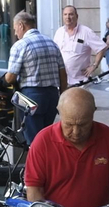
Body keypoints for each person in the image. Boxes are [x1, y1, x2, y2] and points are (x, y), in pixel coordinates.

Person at [4, 10, 64, 144]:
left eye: (15, 29)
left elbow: (11, 77)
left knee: (33, 140)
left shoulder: (20, 45)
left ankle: (36, 164)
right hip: (53, 96)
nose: (15, 33)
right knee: (47, 137)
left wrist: (3, 81)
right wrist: (63, 95)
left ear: (21, 25)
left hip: (31, 96)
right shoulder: (51, 43)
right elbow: (62, 72)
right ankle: (49, 164)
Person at [53, 5, 107, 87]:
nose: (68, 17)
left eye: (71, 14)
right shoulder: (59, 32)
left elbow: (101, 48)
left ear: (76, 16)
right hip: (62, 80)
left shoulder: (86, 32)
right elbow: (55, 52)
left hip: (80, 81)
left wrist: (94, 65)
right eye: (65, 14)